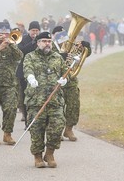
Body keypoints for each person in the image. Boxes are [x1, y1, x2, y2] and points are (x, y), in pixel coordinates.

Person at [23, 31, 68, 168]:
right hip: (36, 100)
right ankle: (37, 156)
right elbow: (27, 69)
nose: (47, 44)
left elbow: (65, 71)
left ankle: (49, 153)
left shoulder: (57, 57)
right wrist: (30, 78)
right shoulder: (30, 56)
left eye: (49, 41)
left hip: (55, 100)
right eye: (44, 41)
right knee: (36, 129)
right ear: (38, 43)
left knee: (58, 125)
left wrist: (64, 79)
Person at [52, 26, 92, 142]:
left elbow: (85, 53)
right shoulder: (49, 46)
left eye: (63, 34)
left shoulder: (72, 46)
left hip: (71, 81)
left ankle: (69, 129)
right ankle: (57, 131)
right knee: (57, 108)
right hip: (56, 82)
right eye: (58, 34)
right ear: (54, 35)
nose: (62, 37)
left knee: (74, 106)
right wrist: (62, 56)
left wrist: (86, 45)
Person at [16, 21, 41, 125]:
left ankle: (37, 120)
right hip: (24, 72)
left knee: (38, 98)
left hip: (39, 72)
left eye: (36, 30)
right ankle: (27, 120)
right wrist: (33, 42)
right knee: (26, 97)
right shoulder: (23, 39)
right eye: (33, 30)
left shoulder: (42, 40)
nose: (35, 32)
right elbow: (22, 51)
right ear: (29, 30)